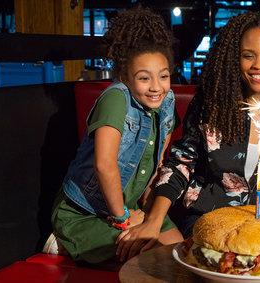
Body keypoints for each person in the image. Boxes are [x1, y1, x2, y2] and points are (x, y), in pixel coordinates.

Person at [156, 12, 260, 238]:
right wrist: (154, 221)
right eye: (248, 56)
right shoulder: (210, 105)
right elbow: (181, 163)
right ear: (234, 59)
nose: (259, 65)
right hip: (209, 219)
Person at [47, 6, 184, 268]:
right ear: (125, 77)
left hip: (129, 209)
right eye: (144, 78)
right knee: (153, 260)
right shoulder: (115, 99)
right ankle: (66, 241)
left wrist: (148, 217)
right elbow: (104, 164)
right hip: (84, 213)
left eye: (163, 76)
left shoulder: (167, 102)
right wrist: (123, 220)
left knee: (181, 254)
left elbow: (156, 165)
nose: (156, 86)